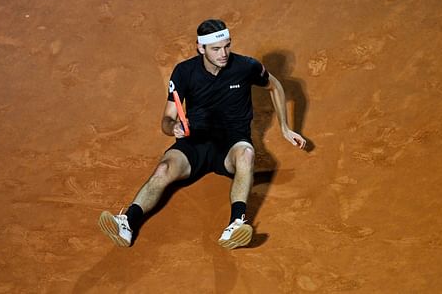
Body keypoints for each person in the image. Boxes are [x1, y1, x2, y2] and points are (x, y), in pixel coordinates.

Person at [98, 19, 307, 249]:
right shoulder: (184, 72)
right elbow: (167, 119)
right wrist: (173, 128)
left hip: (231, 144)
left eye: (227, 46)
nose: (224, 53)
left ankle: (235, 225)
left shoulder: (246, 67)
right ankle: (127, 223)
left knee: (247, 154)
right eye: (216, 49)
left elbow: (275, 85)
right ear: (201, 48)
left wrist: (286, 128)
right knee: (163, 169)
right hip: (194, 145)